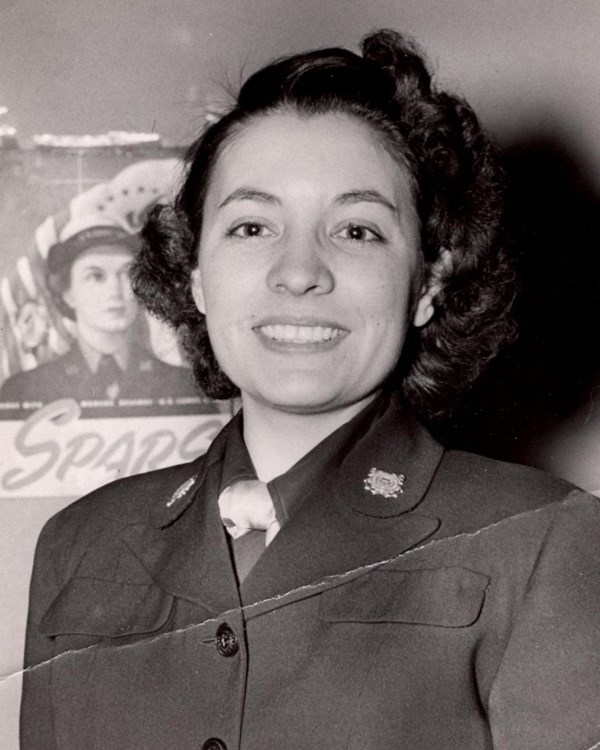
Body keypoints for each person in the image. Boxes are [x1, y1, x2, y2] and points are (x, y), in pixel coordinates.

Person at [20, 30, 600, 750]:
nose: (299, 272)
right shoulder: (80, 544)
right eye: (252, 226)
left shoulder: (546, 541)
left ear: (427, 284)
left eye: (356, 230)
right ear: (195, 271)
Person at [0, 224, 211, 416]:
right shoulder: (22, 391)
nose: (114, 291)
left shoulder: (185, 387)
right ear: (68, 293)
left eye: (127, 273)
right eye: (96, 276)